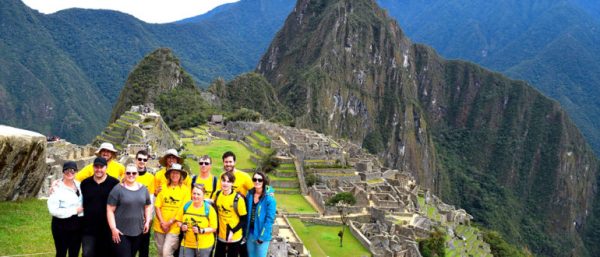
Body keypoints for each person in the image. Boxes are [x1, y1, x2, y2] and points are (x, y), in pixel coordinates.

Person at [107, 164, 152, 257]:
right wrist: (113, 228)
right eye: (128, 173)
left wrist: (147, 221)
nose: (131, 175)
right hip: (121, 232)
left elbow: (147, 206)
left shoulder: (143, 189)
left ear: (137, 174)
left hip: (138, 231)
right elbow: (110, 210)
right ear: (124, 174)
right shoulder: (117, 189)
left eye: (134, 173)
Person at [80, 157, 120, 257]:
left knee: (105, 254)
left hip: (107, 227)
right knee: (87, 253)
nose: (98, 169)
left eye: (101, 167)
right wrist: (57, 185)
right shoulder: (85, 184)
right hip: (88, 227)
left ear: (106, 168)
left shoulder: (114, 183)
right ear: (93, 167)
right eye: (96, 167)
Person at [47, 161, 84, 257]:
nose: (70, 173)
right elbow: (53, 210)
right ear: (63, 172)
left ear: (76, 172)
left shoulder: (80, 185)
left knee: (74, 253)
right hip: (61, 225)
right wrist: (75, 211)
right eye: (67, 170)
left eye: (73, 171)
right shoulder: (57, 188)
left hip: (77, 225)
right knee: (61, 252)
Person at [154, 163, 191, 257]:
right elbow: (157, 206)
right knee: (160, 253)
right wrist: (162, 222)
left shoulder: (185, 190)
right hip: (160, 226)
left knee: (166, 253)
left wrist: (169, 222)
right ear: (169, 175)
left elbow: (183, 209)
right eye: (173, 173)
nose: (175, 175)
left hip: (174, 227)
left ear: (181, 176)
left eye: (177, 173)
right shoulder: (163, 187)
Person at [175, 184, 218, 257]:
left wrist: (201, 230)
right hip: (187, 243)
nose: (195, 196)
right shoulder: (186, 206)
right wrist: (182, 226)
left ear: (203, 195)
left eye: (198, 194)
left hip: (204, 245)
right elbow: (178, 220)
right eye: (194, 193)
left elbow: (214, 228)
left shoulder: (209, 209)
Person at [213, 172, 248, 257]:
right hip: (221, 236)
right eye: (223, 180)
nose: (225, 183)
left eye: (228, 181)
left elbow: (244, 220)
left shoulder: (238, 199)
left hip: (234, 237)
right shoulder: (217, 194)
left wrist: (232, 231)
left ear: (232, 183)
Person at [245, 171, 276, 257]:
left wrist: (262, 237)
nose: (257, 182)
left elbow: (269, 220)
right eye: (255, 179)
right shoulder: (250, 194)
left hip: (262, 235)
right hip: (250, 233)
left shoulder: (269, 198)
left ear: (264, 181)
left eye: (260, 180)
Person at [134, 150, 155, 257]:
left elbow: (150, 199)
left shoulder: (151, 178)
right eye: (140, 159)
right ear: (136, 160)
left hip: (144, 217)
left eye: (144, 160)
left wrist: (149, 218)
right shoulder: (129, 174)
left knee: (144, 246)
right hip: (130, 216)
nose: (142, 161)